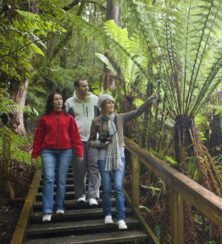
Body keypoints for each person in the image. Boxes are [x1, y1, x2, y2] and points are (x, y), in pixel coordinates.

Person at [88, 93, 156, 229]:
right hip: (103, 157)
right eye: (108, 103)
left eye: (112, 102)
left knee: (118, 186)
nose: (112, 105)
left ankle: (121, 218)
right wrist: (101, 144)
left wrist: (149, 100)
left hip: (119, 156)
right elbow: (90, 141)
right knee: (106, 188)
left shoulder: (120, 118)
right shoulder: (96, 121)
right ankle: (107, 214)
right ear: (102, 105)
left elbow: (138, 111)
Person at [32, 93, 83, 222]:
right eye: (56, 99)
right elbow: (38, 137)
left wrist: (79, 151)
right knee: (49, 178)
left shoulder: (69, 118)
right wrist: (34, 154)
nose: (59, 101)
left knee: (61, 180)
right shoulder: (45, 118)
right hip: (48, 151)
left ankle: (60, 206)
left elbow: (75, 136)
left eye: (61, 99)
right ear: (51, 102)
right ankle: (47, 210)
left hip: (66, 151)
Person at [65, 79, 101, 206]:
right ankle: (80, 194)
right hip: (77, 140)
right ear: (76, 87)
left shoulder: (96, 100)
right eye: (83, 86)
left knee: (94, 166)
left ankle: (93, 195)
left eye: (87, 85)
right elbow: (65, 123)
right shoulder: (69, 103)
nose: (87, 88)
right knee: (79, 168)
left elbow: (103, 117)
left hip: (94, 139)